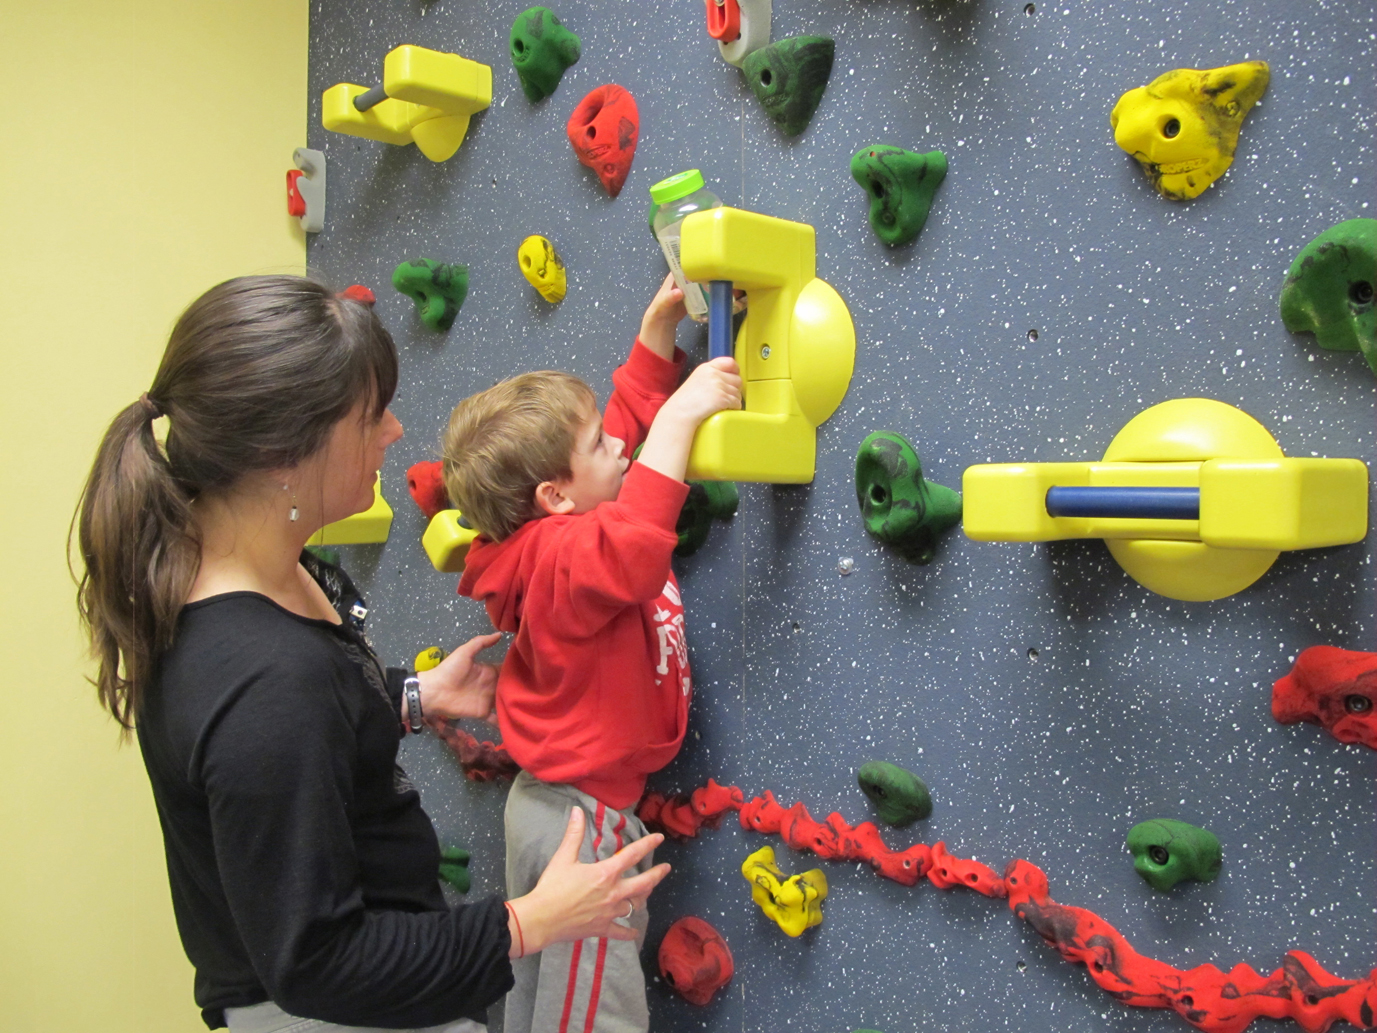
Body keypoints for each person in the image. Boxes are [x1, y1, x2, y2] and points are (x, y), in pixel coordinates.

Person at [73, 275, 669, 1033]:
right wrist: (527, 923)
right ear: (283, 452)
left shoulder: (251, 565)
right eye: (368, 417)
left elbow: (309, 731)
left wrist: (409, 696)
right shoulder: (263, 680)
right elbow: (318, 961)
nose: (393, 432)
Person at [439, 275, 743, 1033]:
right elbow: (636, 549)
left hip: (566, 804)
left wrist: (655, 337)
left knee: (555, 996)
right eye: (602, 448)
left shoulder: (553, 534)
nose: (622, 446)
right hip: (581, 820)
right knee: (587, 1012)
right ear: (554, 499)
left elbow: (619, 438)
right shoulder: (562, 558)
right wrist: (682, 415)